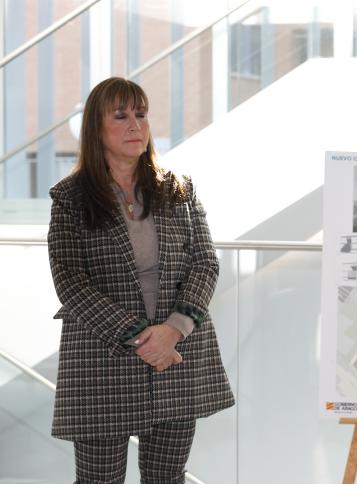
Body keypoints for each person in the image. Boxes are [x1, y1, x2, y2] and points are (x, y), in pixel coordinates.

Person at [47, 77, 234, 483]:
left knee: (167, 477)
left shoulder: (179, 190)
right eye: (121, 116)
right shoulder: (70, 198)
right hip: (102, 363)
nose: (135, 125)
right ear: (96, 128)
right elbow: (71, 284)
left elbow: (205, 264)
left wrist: (172, 331)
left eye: (141, 114)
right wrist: (143, 339)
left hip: (177, 358)